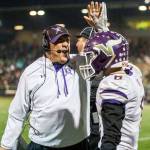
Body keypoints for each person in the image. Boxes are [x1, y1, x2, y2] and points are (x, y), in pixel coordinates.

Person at [0, 24, 91, 150]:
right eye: (59, 41)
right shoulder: (31, 72)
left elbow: (108, 55)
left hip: (79, 145)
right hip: (43, 146)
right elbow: (17, 113)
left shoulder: (82, 63)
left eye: (67, 40)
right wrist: (6, 145)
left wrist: (101, 28)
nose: (65, 44)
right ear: (47, 45)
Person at [79, 30, 145, 150]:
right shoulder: (134, 71)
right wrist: (101, 28)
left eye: (94, 55)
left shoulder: (113, 84)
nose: (92, 59)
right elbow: (118, 48)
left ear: (107, 56)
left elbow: (111, 137)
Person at [76, 26, 100, 150]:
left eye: (79, 40)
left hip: (91, 115)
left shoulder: (93, 63)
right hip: (90, 116)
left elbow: (92, 95)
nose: (76, 43)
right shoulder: (80, 60)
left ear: (87, 42)